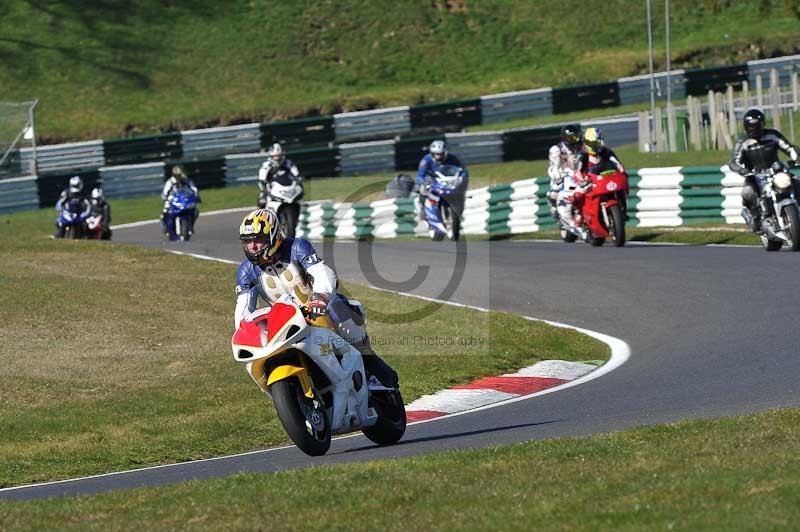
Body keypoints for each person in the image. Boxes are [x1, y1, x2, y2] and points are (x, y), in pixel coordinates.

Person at [234, 209, 398, 388]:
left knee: (342, 316)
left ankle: (372, 370)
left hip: (318, 307)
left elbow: (322, 273)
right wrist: (244, 329)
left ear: (273, 236)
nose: (253, 247)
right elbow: (243, 308)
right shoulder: (245, 271)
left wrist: (319, 297)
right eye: (248, 242)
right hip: (285, 321)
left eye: (258, 240)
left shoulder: (297, 247)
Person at [729, 108, 800, 232]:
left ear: (762, 124)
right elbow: (734, 161)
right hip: (754, 175)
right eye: (751, 127)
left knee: (796, 182)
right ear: (746, 127)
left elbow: (789, 148)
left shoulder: (772, 135)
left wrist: (796, 158)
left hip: (777, 172)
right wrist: (742, 170)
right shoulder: (743, 142)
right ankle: (756, 219)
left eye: (757, 126)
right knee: (748, 193)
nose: (754, 129)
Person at [415, 139, 469, 218]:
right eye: (436, 154)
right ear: (432, 153)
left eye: (441, 154)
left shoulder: (452, 158)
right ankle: (423, 209)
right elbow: (420, 175)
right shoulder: (426, 160)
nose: (439, 156)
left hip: (448, 182)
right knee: (423, 190)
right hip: (433, 182)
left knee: (460, 194)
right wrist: (423, 182)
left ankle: (458, 213)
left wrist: (462, 179)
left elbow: (462, 170)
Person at [547, 125, 583, 218]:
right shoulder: (556, 149)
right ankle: (554, 208)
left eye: (577, 136)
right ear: (565, 138)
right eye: (573, 137)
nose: (576, 139)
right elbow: (555, 167)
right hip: (563, 175)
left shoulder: (582, 146)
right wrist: (558, 177)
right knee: (554, 192)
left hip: (579, 174)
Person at [257, 143, 301, 208]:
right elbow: (262, 180)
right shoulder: (266, 165)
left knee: (300, 199)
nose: (277, 158)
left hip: (289, 188)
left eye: (279, 156)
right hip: (273, 189)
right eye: (275, 156)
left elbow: (296, 174)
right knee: (262, 202)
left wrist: (297, 182)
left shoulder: (288, 163)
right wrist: (265, 191)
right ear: (271, 156)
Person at [161, 165, 200, 234]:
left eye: (179, 175)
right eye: (176, 175)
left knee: (195, 211)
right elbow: (165, 192)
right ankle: (165, 226)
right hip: (172, 200)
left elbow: (193, 188)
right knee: (164, 212)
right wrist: (165, 198)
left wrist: (196, 195)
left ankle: (191, 226)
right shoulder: (170, 182)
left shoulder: (186, 180)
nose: (178, 177)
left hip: (184, 200)